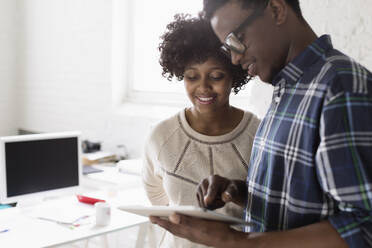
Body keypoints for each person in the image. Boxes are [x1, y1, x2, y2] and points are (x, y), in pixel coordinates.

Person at [149, 0, 372, 247]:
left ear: (276, 10)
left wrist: (237, 241)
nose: (234, 59)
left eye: (236, 40)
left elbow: (365, 227)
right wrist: (238, 192)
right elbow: (299, 205)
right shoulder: (289, 88)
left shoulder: (341, 87)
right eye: (227, 47)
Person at [142, 14, 260, 247]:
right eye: (191, 77)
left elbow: (269, 208)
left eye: (216, 76)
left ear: (233, 76)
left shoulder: (259, 133)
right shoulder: (161, 136)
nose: (203, 87)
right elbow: (157, 198)